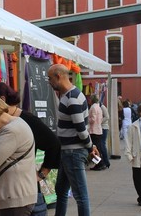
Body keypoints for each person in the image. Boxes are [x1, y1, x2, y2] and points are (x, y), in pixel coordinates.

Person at [0, 82, 61, 215]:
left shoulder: (26, 121)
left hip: (20, 192)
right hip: (0, 191)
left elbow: (54, 144)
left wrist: (42, 173)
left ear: (2, 100)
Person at [48, 64, 99, 216]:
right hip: (68, 152)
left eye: (50, 78)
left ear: (58, 76)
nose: (49, 82)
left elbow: (81, 130)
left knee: (80, 195)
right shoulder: (69, 96)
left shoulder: (72, 98)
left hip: (73, 152)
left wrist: (90, 147)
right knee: (61, 191)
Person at [88, 95, 105, 171]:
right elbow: (100, 119)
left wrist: (87, 119)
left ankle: (99, 164)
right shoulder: (99, 107)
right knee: (98, 148)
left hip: (93, 130)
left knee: (94, 149)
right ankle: (100, 164)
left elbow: (93, 119)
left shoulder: (93, 107)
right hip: (98, 130)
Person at [98, 99, 111, 170]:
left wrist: (99, 122)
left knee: (102, 145)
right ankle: (103, 162)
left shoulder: (102, 107)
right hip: (100, 127)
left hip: (103, 127)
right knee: (100, 145)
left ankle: (106, 162)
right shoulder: (97, 106)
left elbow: (107, 117)